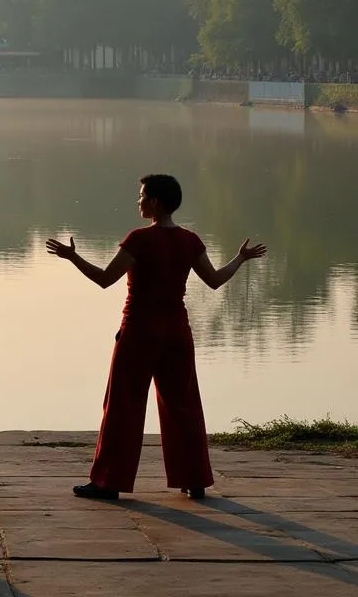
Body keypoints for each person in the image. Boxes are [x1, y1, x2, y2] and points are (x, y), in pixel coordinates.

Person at [46, 174, 265, 501]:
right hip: (177, 332)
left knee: (123, 405)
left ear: (156, 202)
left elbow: (106, 279)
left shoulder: (139, 240)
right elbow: (216, 280)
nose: (138, 201)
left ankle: (109, 482)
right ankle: (195, 481)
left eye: (142, 196)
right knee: (184, 404)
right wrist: (241, 258)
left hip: (139, 331)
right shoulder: (190, 241)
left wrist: (72, 257)